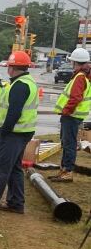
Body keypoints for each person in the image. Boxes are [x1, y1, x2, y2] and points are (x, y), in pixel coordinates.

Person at [0, 51, 39, 214]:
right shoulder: (27, 82)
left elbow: (14, 112)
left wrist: (4, 132)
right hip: (23, 132)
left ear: (12, 68)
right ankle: (16, 203)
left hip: (13, 133)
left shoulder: (19, 85)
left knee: (1, 168)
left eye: (9, 66)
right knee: (15, 168)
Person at [50, 48, 91, 183]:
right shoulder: (83, 76)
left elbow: (75, 98)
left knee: (69, 144)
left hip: (71, 116)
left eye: (72, 62)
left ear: (76, 63)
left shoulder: (79, 78)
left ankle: (67, 171)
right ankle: (64, 170)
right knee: (67, 143)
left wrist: (66, 111)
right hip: (73, 116)